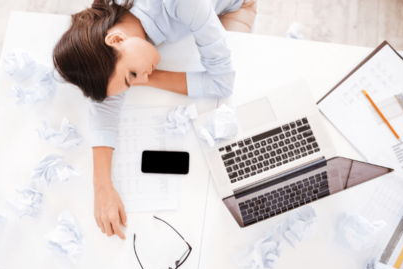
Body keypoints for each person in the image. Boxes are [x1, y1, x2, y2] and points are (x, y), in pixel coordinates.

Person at [53, 0, 257, 240]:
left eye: (131, 76)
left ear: (117, 40)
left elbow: (221, 83)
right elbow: (105, 106)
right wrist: (101, 185)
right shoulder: (105, 24)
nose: (138, 81)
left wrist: (148, 78)